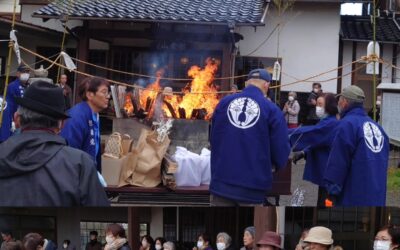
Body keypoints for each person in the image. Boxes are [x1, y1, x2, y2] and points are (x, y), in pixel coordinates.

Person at [0, 81, 109, 206]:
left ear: (17, 119)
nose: (108, 96)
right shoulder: (80, 164)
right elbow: (100, 216)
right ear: (61, 125)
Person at [210, 68, 290, 205]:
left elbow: (213, 138)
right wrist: (277, 165)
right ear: (267, 85)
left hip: (222, 179)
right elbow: (280, 148)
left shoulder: (224, 103)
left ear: (247, 83)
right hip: (252, 184)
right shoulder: (271, 110)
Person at [324, 85, 389, 206]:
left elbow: (338, 162)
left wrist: (332, 192)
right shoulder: (379, 128)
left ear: (344, 102)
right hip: (377, 194)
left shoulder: (346, 125)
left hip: (353, 195)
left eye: (340, 100)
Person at [289, 93, 340, 206]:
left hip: (330, 173)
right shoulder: (327, 122)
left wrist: (284, 134)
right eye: (317, 104)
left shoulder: (331, 124)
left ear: (329, 106)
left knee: (327, 203)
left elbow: (311, 134)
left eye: (320, 104)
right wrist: (303, 152)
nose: (318, 107)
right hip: (325, 174)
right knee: (322, 200)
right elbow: (318, 141)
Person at [61, 77, 110, 172]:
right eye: (104, 92)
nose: (108, 96)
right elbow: (69, 154)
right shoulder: (76, 116)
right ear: (90, 95)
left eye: (108, 93)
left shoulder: (95, 115)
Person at [0, 64, 30, 143]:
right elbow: (9, 105)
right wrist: (12, 120)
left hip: (26, 120)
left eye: (27, 72)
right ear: (18, 73)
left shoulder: (28, 87)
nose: (26, 74)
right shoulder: (12, 86)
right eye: (24, 72)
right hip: (15, 120)